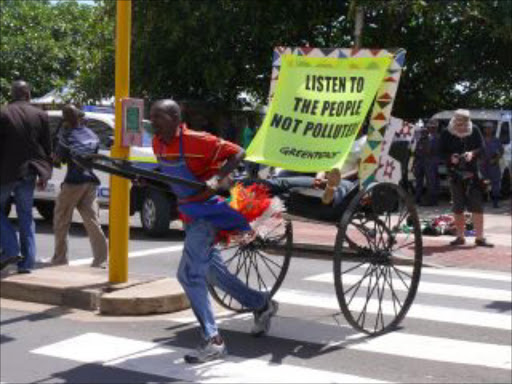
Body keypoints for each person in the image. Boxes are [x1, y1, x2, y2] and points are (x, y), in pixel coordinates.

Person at [149, 99, 278, 364]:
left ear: (175, 117)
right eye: (151, 117)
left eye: (158, 117)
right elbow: (167, 170)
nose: (153, 123)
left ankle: (213, 340)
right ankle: (261, 304)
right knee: (212, 273)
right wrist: (149, 175)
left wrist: (215, 180)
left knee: (187, 275)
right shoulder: (158, 142)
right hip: (189, 213)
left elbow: (238, 153)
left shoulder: (198, 140)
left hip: (208, 213)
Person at [0, 81, 52, 273]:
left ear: (12, 94)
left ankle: (11, 248)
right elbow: (48, 149)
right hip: (30, 172)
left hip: (5, 173)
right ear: (28, 94)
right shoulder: (41, 115)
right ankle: (27, 263)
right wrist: (45, 174)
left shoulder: (3, 113)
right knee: (26, 216)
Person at [51, 105, 108, 267]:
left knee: (61, 219)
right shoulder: (92, 135)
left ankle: (60, 259)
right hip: (90, 182)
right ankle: (101, 260)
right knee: (92, 221)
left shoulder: (67, 136)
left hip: (73, 183)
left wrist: (53, 155)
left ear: (66, 119)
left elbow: (58, 161)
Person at [440, 109, 493, 247]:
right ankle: (460, 237)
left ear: (468, 122)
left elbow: (482, 148)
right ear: (454, 121)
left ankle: (480, 238)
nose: (462, 128)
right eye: (459, 125)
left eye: (464, 125)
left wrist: (472, 153)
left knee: (477, 206)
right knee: (458, 207)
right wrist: (450, 157)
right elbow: (440, 152)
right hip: (454, 174)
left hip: (473, 173)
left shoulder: (474, 130)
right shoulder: (446, 132)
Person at [414, 120, 440, 206]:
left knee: (431, 183)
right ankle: (417, 198)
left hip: (431, 163)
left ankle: (432, 200)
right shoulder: (422, 138)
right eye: (429, 127)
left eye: (432, 127)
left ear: (436, 128)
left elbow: (435, 151)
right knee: (419, 182)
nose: (430, 129)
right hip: (420, 162)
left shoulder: (437, 138)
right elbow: (417, 150)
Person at [480, 121, 503, 208]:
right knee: (482, 183)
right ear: (484, 130)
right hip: (482, 165)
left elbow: (501, 152)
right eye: (486, 128)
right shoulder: (480, 140)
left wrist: (495, 159)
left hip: (493, 165)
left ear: (492, 129)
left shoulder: (496, 140)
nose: (488, 130)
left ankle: (495, 202)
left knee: (495, 184)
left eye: (490, 128)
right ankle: (482, 201)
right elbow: (477, 151)